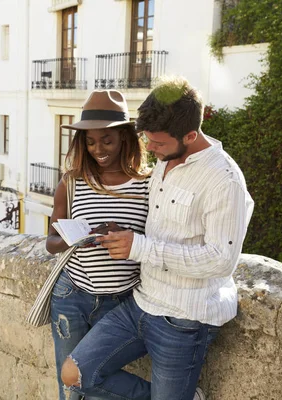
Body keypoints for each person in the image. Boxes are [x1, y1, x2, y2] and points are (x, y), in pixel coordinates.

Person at [60, 76, 255, 400]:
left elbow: (221, 260)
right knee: (74, 373)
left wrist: (139, 247)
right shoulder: (164, 162)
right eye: (147, 139)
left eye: (158, 143)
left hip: (184, 318)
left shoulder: (224, 180)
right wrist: (121, 234)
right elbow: (157, 229)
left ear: (190, 136)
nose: (149, 149)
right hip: (141, 302)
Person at [46, 89, 150, 400]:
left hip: (121, 304)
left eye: (106, 140)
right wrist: (78, 237)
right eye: (90, 142)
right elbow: (50, 243)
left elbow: (157, 241)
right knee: (70, 387)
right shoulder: (72, 182)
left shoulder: (148, 185)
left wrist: (125, 236)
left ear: (124, 138)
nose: (98, 149)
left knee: (94, 383)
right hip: (71, 297)